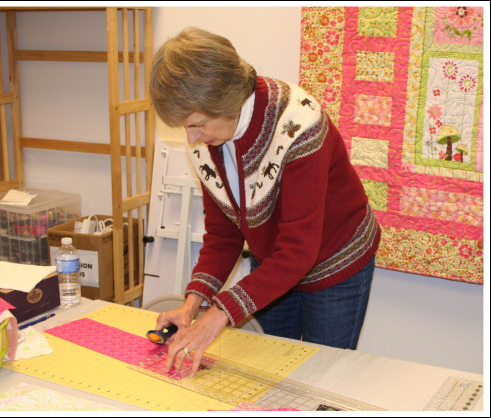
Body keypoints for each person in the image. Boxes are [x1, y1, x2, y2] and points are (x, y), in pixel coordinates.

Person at [149, 27, 381, 377]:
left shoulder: (299, 124)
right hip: (275, 261)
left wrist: (218, 315)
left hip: (335, 259)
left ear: (225, 101)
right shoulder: (206, 141)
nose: (191, 138)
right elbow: (224, 233)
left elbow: (299, 250)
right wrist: (193, 303)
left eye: (196, 124)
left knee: (322, 375)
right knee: (270, 372)